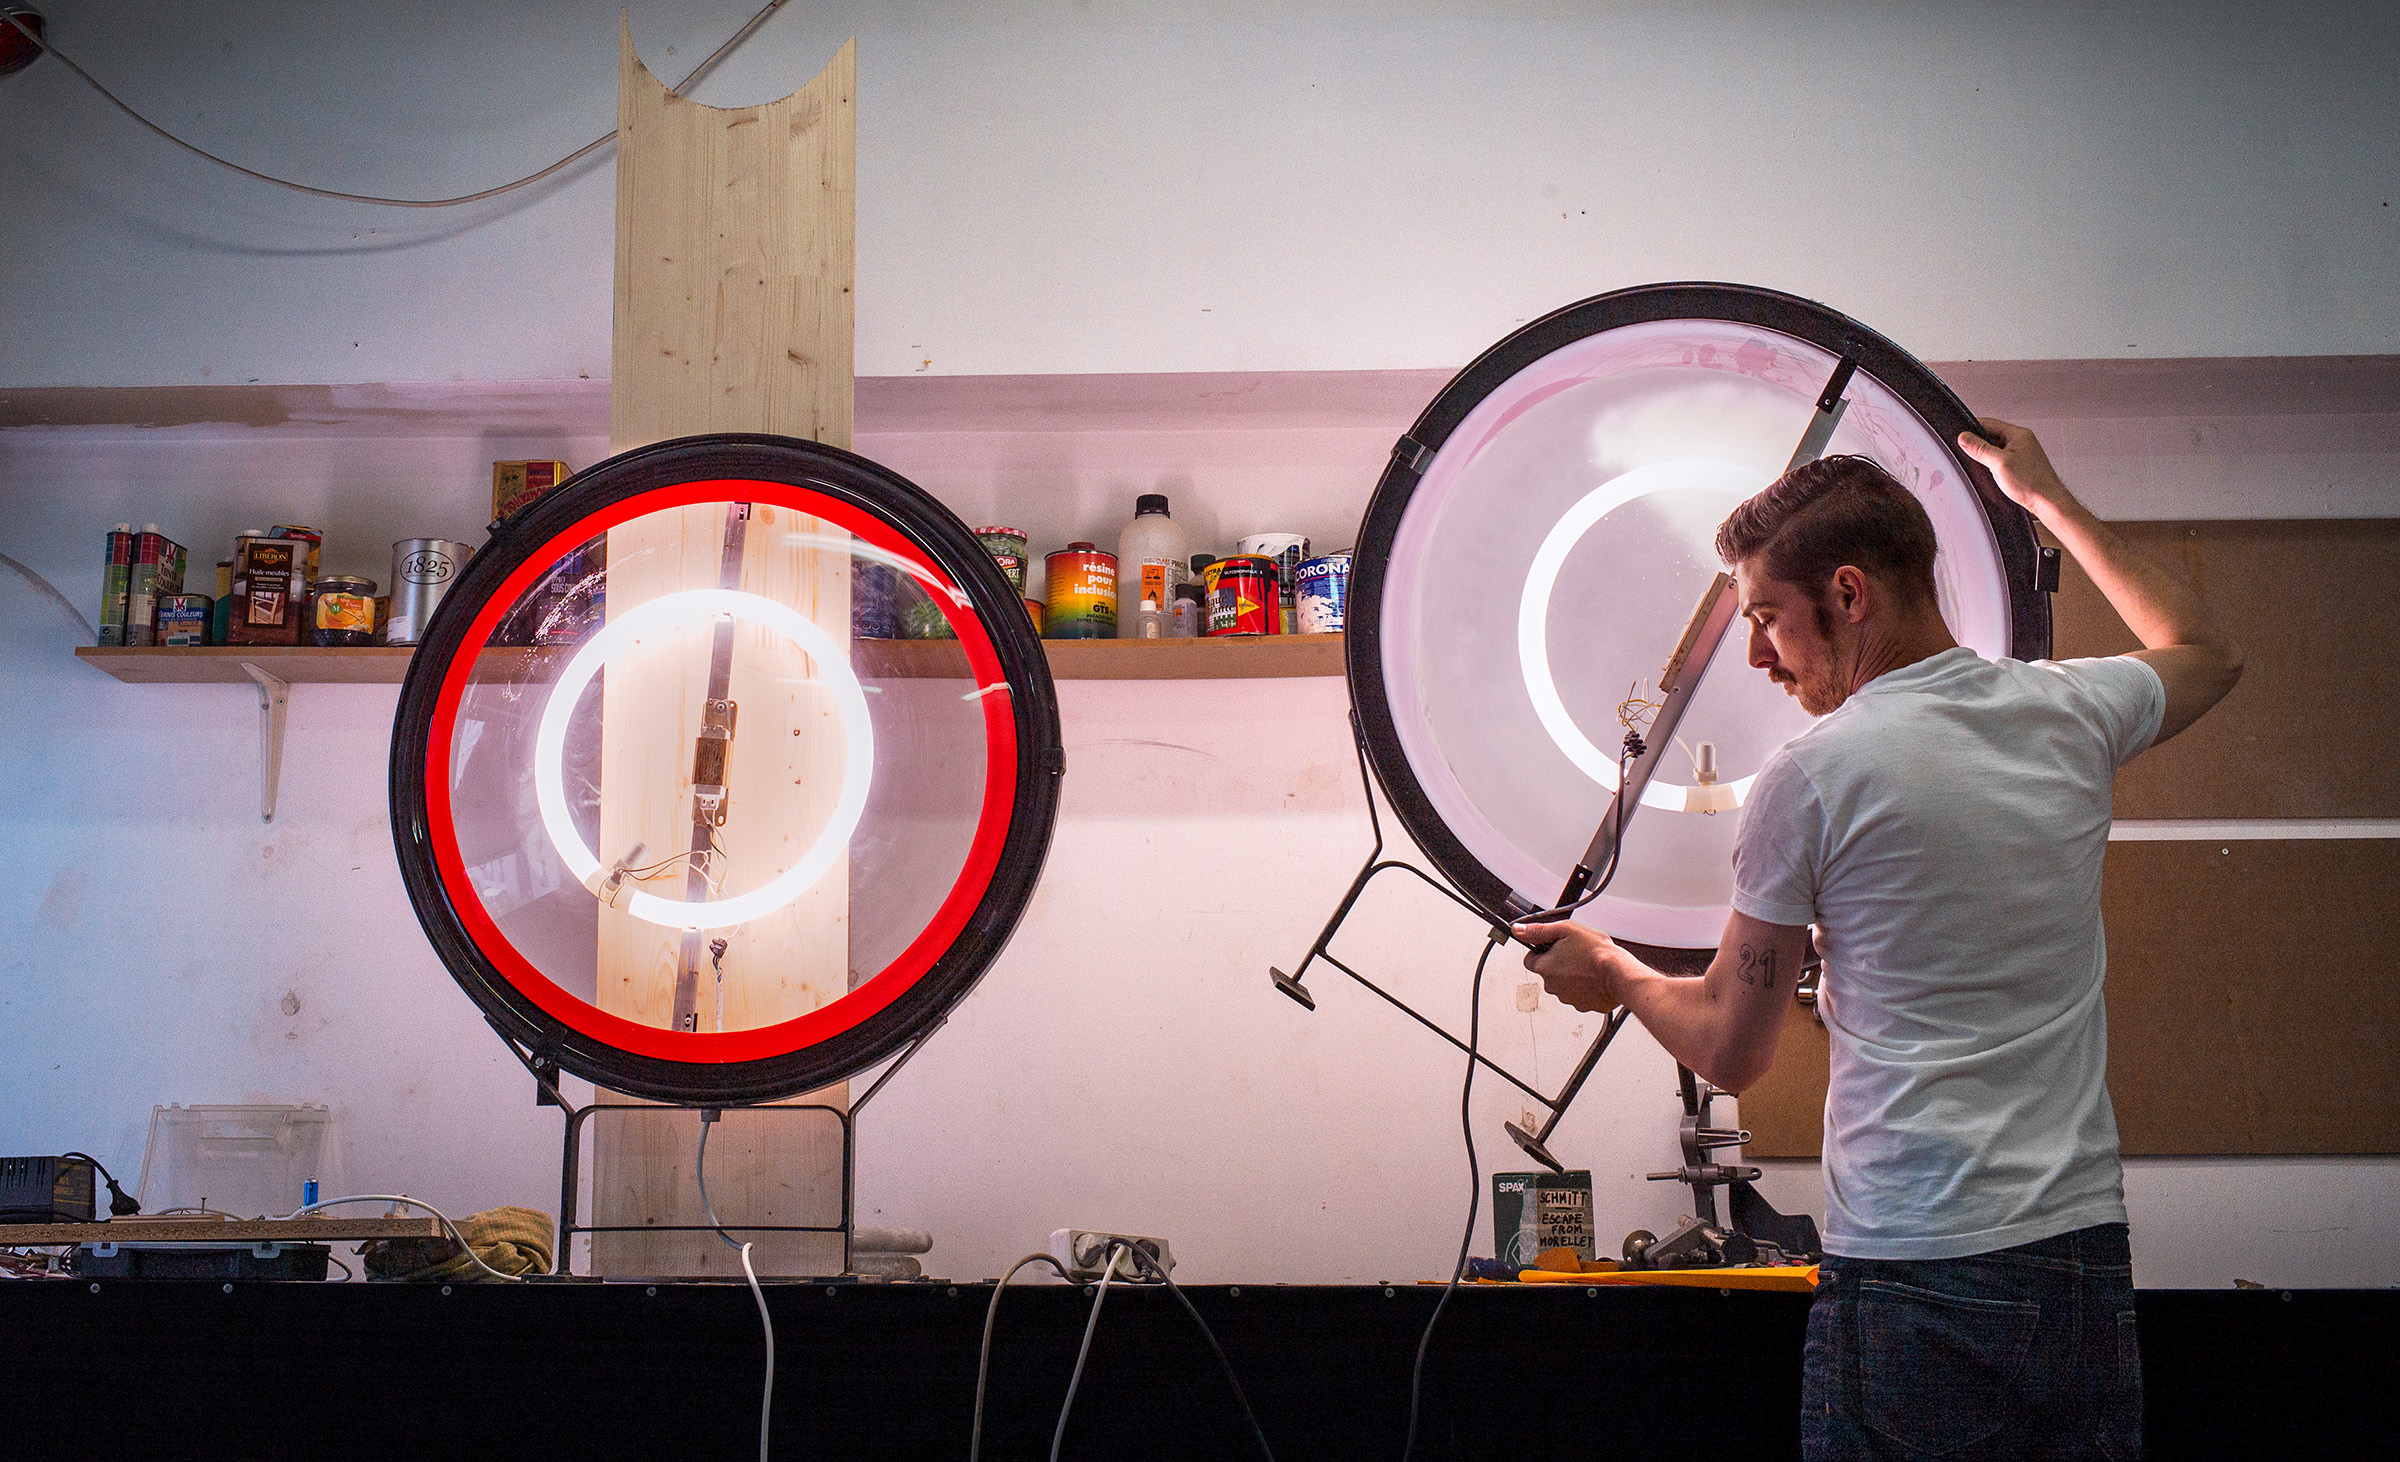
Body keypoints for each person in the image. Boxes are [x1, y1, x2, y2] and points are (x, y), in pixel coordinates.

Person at [1515, 420, 2242, 1460]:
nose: (1760, 652)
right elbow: (2209, 652)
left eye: (1768, 617)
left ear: (1849, 594)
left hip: (1918, 1267)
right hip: (2079, 1258)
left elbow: (1730, 1046)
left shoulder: (1814, 776)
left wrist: (1620, 974)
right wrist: (2046, 498)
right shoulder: (2071, 708)